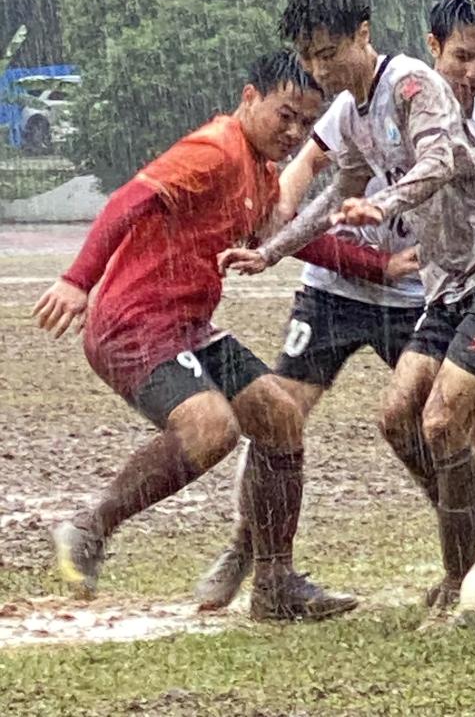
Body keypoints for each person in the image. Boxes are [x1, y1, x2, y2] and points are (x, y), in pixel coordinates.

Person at [219, 0, 475, 611]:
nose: (320, 68)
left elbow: (440, 161)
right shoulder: (354, 110)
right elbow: (334, 193)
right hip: (450, 290)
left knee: (446, 421)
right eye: (310, 57)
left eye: (329, 52)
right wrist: (269, 252)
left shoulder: (410, 84)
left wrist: (385, 203)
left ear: (363, 35)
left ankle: (465, 574)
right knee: (397, 419)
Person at [32, 52, 370, 620]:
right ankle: (90, 528)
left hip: (188, 328)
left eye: (307, 124)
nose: (294, 134)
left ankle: (275, 585)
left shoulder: (260, 172)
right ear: (249, 98)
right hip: (133, 324)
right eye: (285, 116)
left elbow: (292, 239)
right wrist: (77, 280)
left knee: (280, 416)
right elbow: (128, 201)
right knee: (210, 429)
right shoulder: (215, 149)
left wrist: (383, 267)